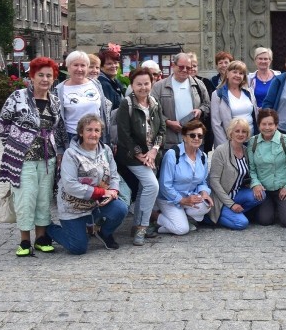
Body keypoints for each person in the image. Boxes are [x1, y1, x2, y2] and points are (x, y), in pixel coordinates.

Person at [0, 57, 68, 257]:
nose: (45, 79)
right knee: (25, 198)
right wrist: (13, 144)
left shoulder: (54, 100)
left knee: (43, 199)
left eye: (49, 75)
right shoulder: (17, 97)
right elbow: (3, 123)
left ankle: (41, 238)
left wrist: (60, 151)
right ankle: (24, 241)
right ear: (32, 76)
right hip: (23, 158)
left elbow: (59, 127)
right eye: (41, 75)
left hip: (48, 158)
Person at [47, 114, 127, 254]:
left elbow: (114, 175)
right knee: (78, 248)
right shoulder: (71, 154)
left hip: (96, 203)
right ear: (81, 132)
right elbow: (70, 185)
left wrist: (113, 190)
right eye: (89, 130)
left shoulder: (106, 151)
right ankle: (48, 229)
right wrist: (102, 192)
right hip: (73, 206)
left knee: (120, 209)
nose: (93, 134)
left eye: (97, 130)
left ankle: (104, 232)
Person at [116, 67, 166, 246]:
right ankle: (142, 226)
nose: (143, 87)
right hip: (131, 156)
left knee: (146, 188)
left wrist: (154, 151)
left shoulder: (154, 102)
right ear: (132, 85)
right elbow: (123, 133)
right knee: (152, 186)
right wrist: (139, 154)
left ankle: (137, 225)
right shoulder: (126, 103)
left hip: (151, 156)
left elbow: (162, 129)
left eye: (146, 83)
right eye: (139, 84)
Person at [156, 120, 213, 235]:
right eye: (192, 135)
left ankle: (178, 218)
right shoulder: (172, 154)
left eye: (200, 135)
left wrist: (204, 193)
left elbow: (203, 181)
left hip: (189, 195)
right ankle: (155, 216)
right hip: (169, 199)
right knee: (182, 229)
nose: (196, 138)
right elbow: (165, 186)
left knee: (205, 207)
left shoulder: (202, 157)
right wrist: (182, 200)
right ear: (184, 137)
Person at [247, 109, 286, 228]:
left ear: (276, 125)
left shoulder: (285, 140)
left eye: (270, 124)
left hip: (282, 188)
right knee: (265, 220)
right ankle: (273, 207)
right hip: (264, 189)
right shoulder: (253, 142)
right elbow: (251, 168)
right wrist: (256, 184)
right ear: (258, 125)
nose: (267, 127)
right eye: (264, 124)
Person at [208, 117, 263, 230]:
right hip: (220, 198)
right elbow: (213, 181)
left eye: (244, 131)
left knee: (261, 195)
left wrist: (256, 185)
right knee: (242, 223)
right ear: (231, 133)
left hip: (236, 194)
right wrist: (231, 205)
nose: (240, 134)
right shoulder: (221, 150)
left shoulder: (245, 150)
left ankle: (233, 212)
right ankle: (211, 217)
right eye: (237, 131)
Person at [151, 52, 210, 151]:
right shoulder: (159, 86)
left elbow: (207, 105)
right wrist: (168, 122)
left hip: (194, 138)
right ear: (173, 66)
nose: (185, 70)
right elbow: (153, 111)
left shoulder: (199, 85)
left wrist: (200, 110)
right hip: (170, 139)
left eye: (188, 68)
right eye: (181, 67)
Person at [56, 51, 112, 146]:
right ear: (68, 67)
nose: (79, 69)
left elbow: (103, 112)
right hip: (73, 138)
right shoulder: (59, 90)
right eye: (75, 65)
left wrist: (107, 139)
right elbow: (57, 122)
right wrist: (60, 148)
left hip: (96, 136)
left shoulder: (96, 84)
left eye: (83, 65)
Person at [211, 60, 258, 147]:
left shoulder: (248, 92)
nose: (238, 75)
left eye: (241, 73)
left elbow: (255, 116)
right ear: (227, 74)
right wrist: (225, 146)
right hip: (231, 142)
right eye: (234, 72)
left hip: (251, 140)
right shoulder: (218, 94)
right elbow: (216, 124)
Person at [97, 47, 125, 111]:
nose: (114, 66)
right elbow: (108, 110)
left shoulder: (114, 81)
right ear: (101, 67)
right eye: (109, 64)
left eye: (115, 63)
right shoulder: (104, 84)